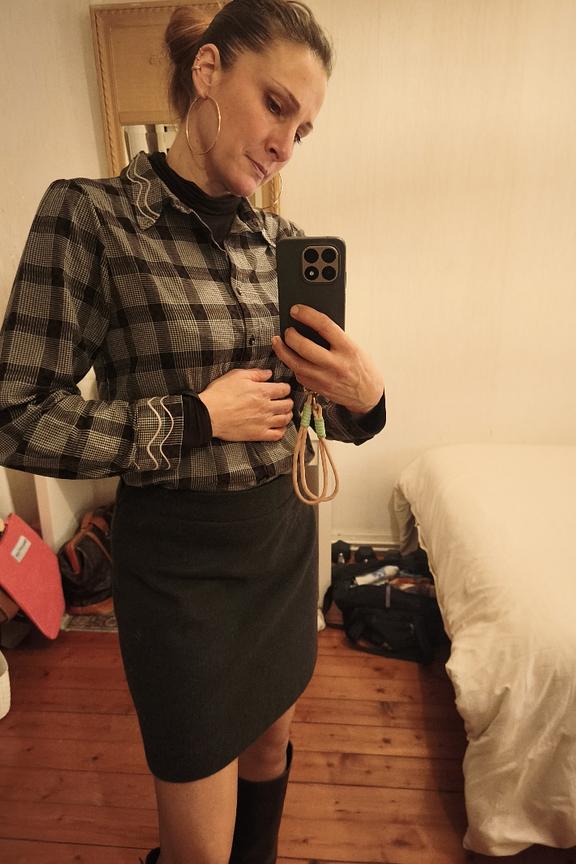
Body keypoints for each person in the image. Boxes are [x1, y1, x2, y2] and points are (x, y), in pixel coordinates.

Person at [0, 1, 385, 862]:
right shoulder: (92, 219)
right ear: (208, 72)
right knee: (199, 839)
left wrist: (365, 396)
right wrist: (195, 418)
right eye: (276, 106)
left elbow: (313, 411)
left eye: (303, 128)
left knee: (271, 748)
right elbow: (16, 414)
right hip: (178, 570)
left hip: (282, 542)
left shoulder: (280, 242)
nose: (286, 144)